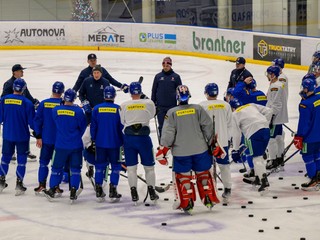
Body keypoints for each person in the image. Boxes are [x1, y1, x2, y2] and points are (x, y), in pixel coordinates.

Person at [157, 85, 220, 214]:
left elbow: (168, 134)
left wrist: (163, 149)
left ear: (177, 97)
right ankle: (208, 198)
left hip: (181, 153)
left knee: (183, 177)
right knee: (203, 174)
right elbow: (208, 127)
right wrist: (212, 143)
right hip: (200, 150)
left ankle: (187, 202)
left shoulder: (172, 112)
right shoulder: (198, 109)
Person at [44, 89, 86, 203]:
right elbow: (82, 127)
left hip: (61, 144)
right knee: (75, 169)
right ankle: (73, 191)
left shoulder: (56, 110)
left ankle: (52, 189)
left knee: (56, 168)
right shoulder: (78, 111)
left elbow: (55, 122)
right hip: (75, 144)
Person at [120, 82, 158, 204]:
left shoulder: (124, 105)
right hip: (144, 139)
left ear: (130, 92)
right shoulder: (148, 103)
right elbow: (152, 114)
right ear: (141, 91)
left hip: (129, 139)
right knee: (149, 168)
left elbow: (122, 121)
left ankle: (134, 193)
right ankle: (152, 192)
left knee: (131, 168)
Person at [0, 78, 35, 195]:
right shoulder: (27, 103)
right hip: (22, 136)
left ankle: (1, 181)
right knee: (21, 160)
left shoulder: (4, 100)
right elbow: (32, 122)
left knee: (5, 158)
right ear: (23, 89)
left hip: (8, 135)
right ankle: (19, 184)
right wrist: (39, 133)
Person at [229, 98, 272, 193]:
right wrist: (265, 122)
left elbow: (236, 134)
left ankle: (264, 182)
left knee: (256, 158)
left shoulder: (234, 114)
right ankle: (258, 177)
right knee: (260, 156)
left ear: (232, 108)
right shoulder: (251, 105)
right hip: (266, 130)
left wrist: (235, 149)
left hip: (254, 133)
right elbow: (269, 111)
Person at [199, 83, 233, 202]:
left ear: (206, 92)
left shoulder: (202, 106)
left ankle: (209, 190)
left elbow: (199, 125)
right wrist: (229, 139)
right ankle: (227, 189)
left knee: (206, 167)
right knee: (224, 166)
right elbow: (230, 124)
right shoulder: (226, 105)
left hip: (206, 142)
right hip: (222, 142)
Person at [90, 86, 124, 202]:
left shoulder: (96, 109)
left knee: (99, 166)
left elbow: (93, 127)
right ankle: (113, 189)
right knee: (115, 167)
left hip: (100, 143)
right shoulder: (118, 109)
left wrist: (94, 139)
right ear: (114, 96)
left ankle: (98, 188)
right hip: (115, 143)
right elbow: (121, 128)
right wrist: (123, 142)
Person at [33, 81, 65, 195]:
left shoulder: (44, 103)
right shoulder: (64, 105)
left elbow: (37, 121)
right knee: (58, 165)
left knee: (43, 163)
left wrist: (38, 136)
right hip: (60, 141)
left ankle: (41, 185)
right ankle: (55, 186)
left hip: (46, 139)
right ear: (62, 92)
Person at [1, 64, 39, 161]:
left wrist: (34, 101)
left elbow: (27, 95)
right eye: (21, 70)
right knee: (12, 130)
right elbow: (3, 98)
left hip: (22, 111)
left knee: (24, 130)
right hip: (12, 113)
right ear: (15, 72)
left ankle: (26, 150)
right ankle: (12, 152)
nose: (22, 72)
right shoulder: (8, 84)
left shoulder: (22, 82)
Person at [294, 78, 320, 190]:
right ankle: (318, 177)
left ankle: (313, 179)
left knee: (308, 156)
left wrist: (299, 136)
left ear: (306, 88)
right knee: (318, 155)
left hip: (309, 137)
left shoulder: (305, 104)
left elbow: (304, 124)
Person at [265, 66, 288, 171]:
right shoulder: (280, 84)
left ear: (273, 75)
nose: (268, 75)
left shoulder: (275, 86)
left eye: (269, 73)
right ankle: (280, 157)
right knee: (279, 137)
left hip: (275, 118)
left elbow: (276, 104)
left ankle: (273, 159)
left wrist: (271, 117)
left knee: (271, 139)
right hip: (279, 117)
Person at [151, 57, 182, 136]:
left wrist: (180, 103)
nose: (165, 67)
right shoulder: (158, 76)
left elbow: (180, 91)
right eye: (163, 65)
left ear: (170, 65)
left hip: (172, 107)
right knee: (161, 126)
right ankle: (162, 143)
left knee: (172, 126)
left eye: (167, 65)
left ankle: (172, 143)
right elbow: (154, 90)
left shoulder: (176, 77)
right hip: (160, 107)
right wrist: (153, 103)